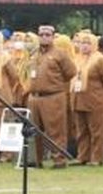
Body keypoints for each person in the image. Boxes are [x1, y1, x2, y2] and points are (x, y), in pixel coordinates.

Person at [26, 25, 77, 169]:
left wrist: (55, 84)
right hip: (35, 97)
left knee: (56, 130)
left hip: (53, 96)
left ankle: (59, 160)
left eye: (47, 35)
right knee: (35, 130)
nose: (44, 37)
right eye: (41, 34)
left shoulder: (60, 54)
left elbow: (71, 72)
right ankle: (37, 160)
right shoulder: (35, 54)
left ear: (53, 37)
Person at [71, 31, 103, 166]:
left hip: (95, 99)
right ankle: (82, 156)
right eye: (82, 43)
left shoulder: (99, 59)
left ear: (94, 44)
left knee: (96, 130)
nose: (84, 46)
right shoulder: (77, 58)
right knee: (81, 130)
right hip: (79, 99)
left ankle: (96, 158)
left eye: (88, 43)